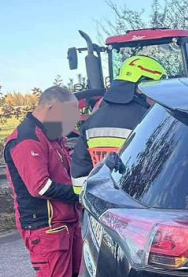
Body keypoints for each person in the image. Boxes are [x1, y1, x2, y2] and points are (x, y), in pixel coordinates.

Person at [3, 86, 83, 277]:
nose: (71, 125)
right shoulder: (26, 140)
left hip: (67, 224)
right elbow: (41, 187)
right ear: (51, 110)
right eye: (68, 117)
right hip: (46, 229)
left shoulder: (51, 137)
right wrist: (81, 193)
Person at [70, 55, 167, 193]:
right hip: (136, 205)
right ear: (141, 88)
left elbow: (78, 178)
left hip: (99, 206)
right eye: (156, 89)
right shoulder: (150, 120)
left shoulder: (92, 121)